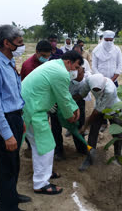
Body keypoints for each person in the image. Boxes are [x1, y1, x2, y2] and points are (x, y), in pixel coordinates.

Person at [0, 25, 30, 211]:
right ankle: (8, 206)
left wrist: (21, 120)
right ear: (6, 43)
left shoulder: (8, 62)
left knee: (14, 162)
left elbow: (13, 96)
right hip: (4, 121)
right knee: (5, 166)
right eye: (19, 43)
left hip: (15, 118)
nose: (22, 46)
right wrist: (6, 133)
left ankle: (12, 195)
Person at [21, 51, 82, 195]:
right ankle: (41, 183)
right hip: (33, 110)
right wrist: (70, 115)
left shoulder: (54, 66)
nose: (76, 70)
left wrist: (75, 107)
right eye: (76, 66)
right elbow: (62, 98)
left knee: (39, 145)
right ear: (69, 62)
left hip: (30, 106)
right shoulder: (61, 72)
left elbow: (63, 94)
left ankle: (44, 173)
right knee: (45, 146)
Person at [78, 73, 122, 170]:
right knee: (93, 133)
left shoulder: (109, 90)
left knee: (118, 133)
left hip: (114, 108)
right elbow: (81, 94)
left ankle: (118, 156)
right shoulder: (89, 80)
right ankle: (89, 158)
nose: (96, 92)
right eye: (95, 90)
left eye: (99, 90)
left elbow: (96, 113)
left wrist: (85, 126)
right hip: (99, 106)